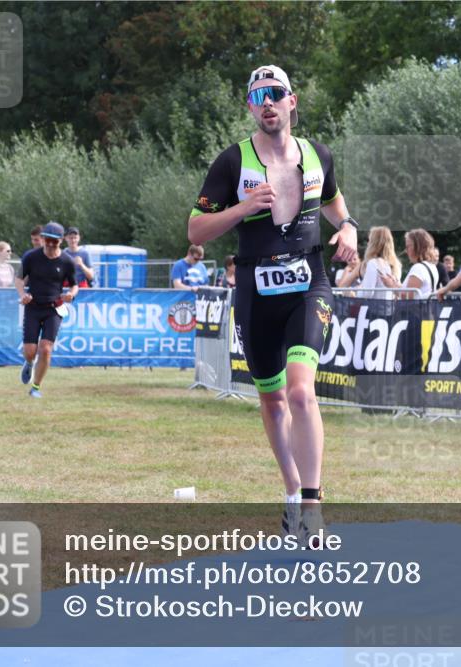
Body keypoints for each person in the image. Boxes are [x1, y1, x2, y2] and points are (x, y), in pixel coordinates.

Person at [187, 64, 358, 542]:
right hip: (255, 290)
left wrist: (349, 228)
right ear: (250, 107)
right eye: (258, 96)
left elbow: (336, 205)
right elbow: (195, 229)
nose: (268, 103)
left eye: (276, 93)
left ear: (292, 101)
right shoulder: (232, 162)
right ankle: (291, 492)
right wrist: (243, 208)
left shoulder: (318, 155)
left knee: (302, 392)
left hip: (309, 283)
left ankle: (313, 505)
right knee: (273, 399)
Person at [16, 222, 78, 399]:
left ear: (61, 241)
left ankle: (36, 387)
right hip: (33, 307)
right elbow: (19, 279)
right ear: (43, 239)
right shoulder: (31, 257)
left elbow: (74, 285)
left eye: (55, 241)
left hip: (54, 309)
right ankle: (29, 363)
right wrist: (22, 295)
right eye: (48, 240)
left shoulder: (67, 261)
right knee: (30, 351)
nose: (50, 244)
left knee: (45, 349)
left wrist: (71, 294)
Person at [356, 226, 402, 299]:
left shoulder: (373, 263)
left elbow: (367, 293)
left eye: (370, 240)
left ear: (374, 244)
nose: (368, 244)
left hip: (373, 305)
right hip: (389, 305)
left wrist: (357, 291)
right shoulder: (396, 264)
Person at [400, 228, 439, 299]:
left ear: (418, 247)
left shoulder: (418, 268)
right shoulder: (432, 266)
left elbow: (407, 297)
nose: (406, 251)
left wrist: (392, 286)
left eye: (408, 246)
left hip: (415, 306)